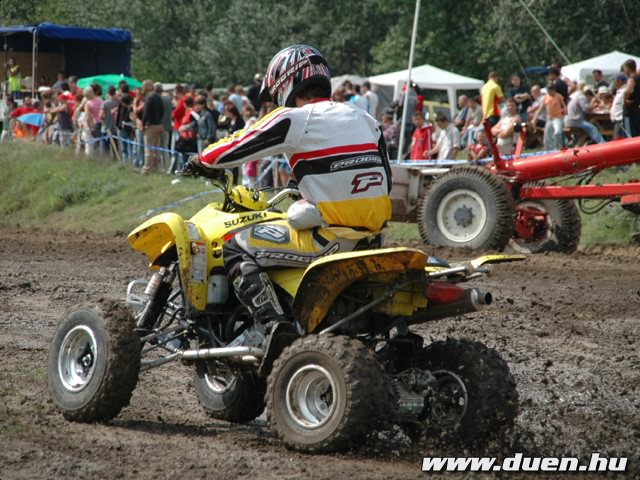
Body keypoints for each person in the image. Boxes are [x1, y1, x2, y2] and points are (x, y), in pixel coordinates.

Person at [185, 44, 392, 345]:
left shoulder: (294, 118)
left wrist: (201, 159)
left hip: (331, 239)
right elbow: (387, 179)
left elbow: (237, 144)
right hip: (373, 240)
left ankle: (274, 329)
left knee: (235, 246)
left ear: (286, 83)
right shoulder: (365, 119)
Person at [140, 79, 165, 174]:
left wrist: (143, 124)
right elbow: (162, 110)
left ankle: (147, 168)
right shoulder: (158, 96)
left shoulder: (149, 97)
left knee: (148, 148)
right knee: (156, 148)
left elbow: (146, 112)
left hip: (151, 125)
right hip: (159, 124)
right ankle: (156, 167)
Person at [532, 82, 565, 151]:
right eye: (549, 90)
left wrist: (565, 111)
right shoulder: (545, 97)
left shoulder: (558, 96)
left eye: (551, 90)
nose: (550, 92)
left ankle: (559, 148)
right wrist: (535, 118)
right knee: (547, 136)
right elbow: (540, 108)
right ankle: (548, 150)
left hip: (557, 117)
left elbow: (564, 105)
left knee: (557, 133)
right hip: (549, 119)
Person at [622, 59, 640, 137]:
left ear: (627, 68)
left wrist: (625, 101)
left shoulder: (632, 79)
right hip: (637, 110)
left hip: (629, 112)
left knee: (629, 135)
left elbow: (627, 91)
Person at [610, 73, 627, 139]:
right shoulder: (619, 91)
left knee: (617, 139)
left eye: (614, 81)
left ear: (619, 81)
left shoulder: (624, 91)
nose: (613, 83)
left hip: (620, 120)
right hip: (617, 120)